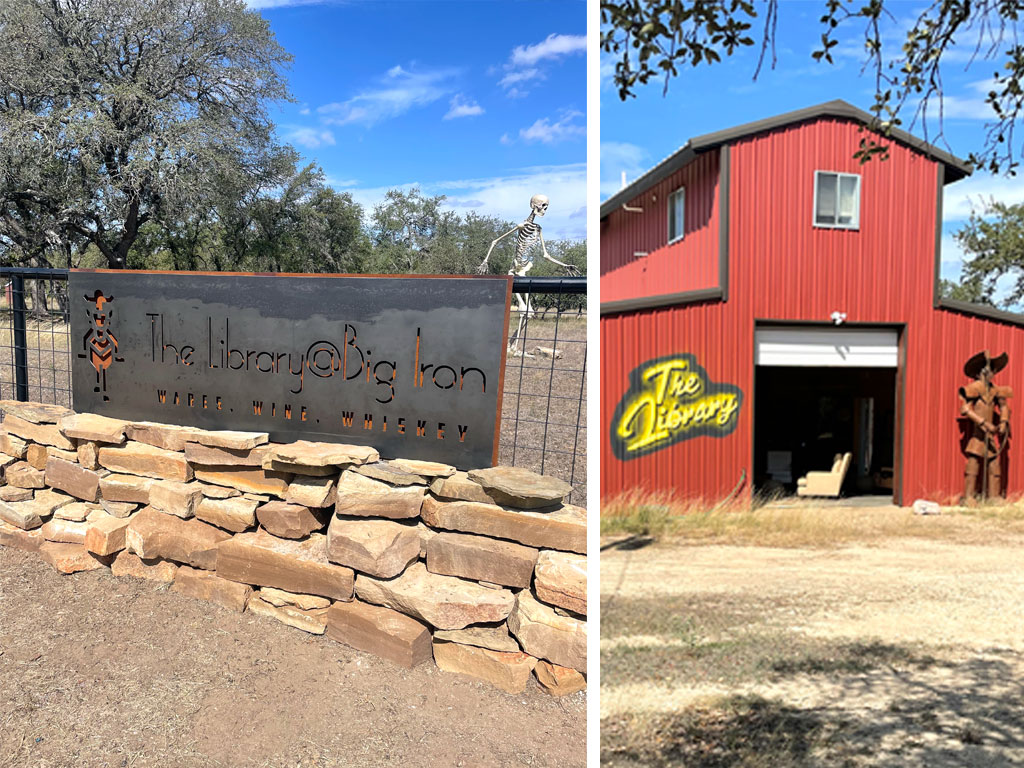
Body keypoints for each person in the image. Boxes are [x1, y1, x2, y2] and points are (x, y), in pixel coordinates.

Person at [959, 351, 1012, 501]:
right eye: (989, 370)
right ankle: (969, 496)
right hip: (979, 433)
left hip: (990, 435)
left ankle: (994, 497)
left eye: (993, 371)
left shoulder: (995, 389)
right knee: (973, 463)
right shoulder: (974, 388)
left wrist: (1003, 421)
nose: (992, 374)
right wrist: (983, 422)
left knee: (994, 464)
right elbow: (965, 409)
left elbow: (1003, 406)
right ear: (981, 372)